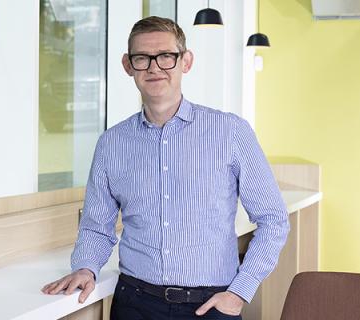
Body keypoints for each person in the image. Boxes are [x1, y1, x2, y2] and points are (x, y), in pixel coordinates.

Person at [42, 16, 290, 319]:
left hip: (211, 305)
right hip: (135, 303)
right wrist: (85, 266)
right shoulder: (111, 143)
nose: (154, 67)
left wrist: (240, 291)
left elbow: (274, 220)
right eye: (142, 58)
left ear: (185, 62)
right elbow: (96, 224)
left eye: (166, 57)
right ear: (127, 65)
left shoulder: (230, 132)